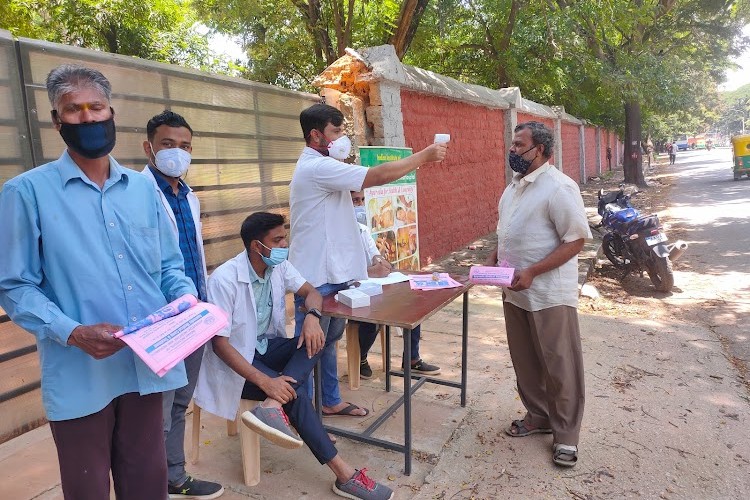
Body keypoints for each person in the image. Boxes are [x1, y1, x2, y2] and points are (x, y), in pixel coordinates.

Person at [0, 65, 198, 499]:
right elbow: (14, 286)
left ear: (112, 111)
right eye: (73, 110)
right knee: (87, 487)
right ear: (56, 120)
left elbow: (169, 267)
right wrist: (71, 332)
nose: (88, 118)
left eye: (96, 107)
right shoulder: (25, 193)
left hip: (146, 366)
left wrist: (185, 303)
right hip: (79, 374)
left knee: (146, 482)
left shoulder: (144, 191)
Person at [193, 212, 394, 500]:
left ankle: (273, 406)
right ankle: (344, 474)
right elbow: (220, 345)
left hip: (266, 347)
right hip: (237, 362)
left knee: (315, 340)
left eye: (284, 237)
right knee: (294, 394)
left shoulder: (279, 266)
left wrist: (312, 315)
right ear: (256, 246)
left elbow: (311, 292)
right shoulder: (225, 279)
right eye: (277, 240)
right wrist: (265, 381)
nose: (284, 244)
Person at [288, 103, 447, 418]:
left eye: (343, 131)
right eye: (336, 132)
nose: (342, 138)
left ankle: (330, 400)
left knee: (328, 341)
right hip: (315, 275)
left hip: (331, 270)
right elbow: (375, 176)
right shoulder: (316, 167)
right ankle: (299, 413)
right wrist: (424, 157)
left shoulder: (325, 165)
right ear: (315, 135)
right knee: (309, 345)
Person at [485, 121, 591, 468]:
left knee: (560, 364)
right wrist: (495, 257)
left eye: (519, 146)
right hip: (515, 292)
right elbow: (509, 231)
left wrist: (532, 271)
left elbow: (576, 239)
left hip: (548, 293)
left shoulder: (559, 188)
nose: (512, 151)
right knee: (526, 359)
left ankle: (566, 436)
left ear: (541, 151)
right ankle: (539, 416)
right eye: (512, 145)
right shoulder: (512, 188)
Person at [140, 111, 223, 499]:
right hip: (161, 318)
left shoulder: (188, 196)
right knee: (157, 409)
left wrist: (204, 304)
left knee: (180, 402)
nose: (177, 153)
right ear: (149, 148)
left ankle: (174, 476)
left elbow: (192, 256)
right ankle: (151, 482)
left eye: (185, 146)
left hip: (195, 315)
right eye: (168, 145)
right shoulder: (137, 194)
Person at [350, 191, 440, 379]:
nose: (360, 205)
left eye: (362, 200)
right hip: (350, 290)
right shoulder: (335, 233)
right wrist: (369, 272)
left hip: (373, 283)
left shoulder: (362, 229)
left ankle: (412, 358)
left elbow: (374, 254)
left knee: (412, 300)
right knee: (372, 316)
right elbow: (341, 273)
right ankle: (361, 357)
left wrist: (381, 262)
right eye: (355, 201)